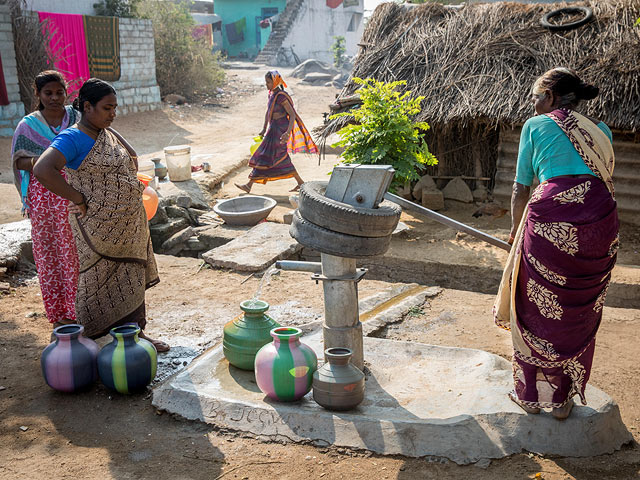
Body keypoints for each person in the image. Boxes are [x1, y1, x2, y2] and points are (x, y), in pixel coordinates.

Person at [494, 67, 617, 420]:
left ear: (549, 96)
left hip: (551, 220)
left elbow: (520, 187)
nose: (532, 104)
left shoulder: (536, 126)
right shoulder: (601, 131)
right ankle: (561, 399)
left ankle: (532, 395)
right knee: (579, 307)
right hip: (600, 223)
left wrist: (516, 232)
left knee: (535, 306)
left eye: (535, 96)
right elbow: (602, 181)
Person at [33, 78, 170, 352]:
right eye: (107, 108)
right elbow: (42, 169)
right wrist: (78, 197)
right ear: (87, 106)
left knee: (130, 278)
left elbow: (131, 155)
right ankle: (86, 343)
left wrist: (122, 184)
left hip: (128, 225)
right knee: (95, 281)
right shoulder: (72, 138)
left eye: (115, 108)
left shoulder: (105, 133)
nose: (113, 114)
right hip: (97, 228)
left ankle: (137, 335)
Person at [11, 70, 80, 330]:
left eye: (59, 92)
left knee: (76, 251)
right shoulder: (28, 125)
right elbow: (18, 161)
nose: (54, 98)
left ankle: (83, 307)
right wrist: (45, 162)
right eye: (48, 93)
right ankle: (62, 313)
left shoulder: (76, 118)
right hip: (44, 200)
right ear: (38, 95)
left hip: (74, 194)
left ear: (66, 91)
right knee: (52, 252)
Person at [235, 70, 318, 193]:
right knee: (272, 156)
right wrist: (264, 128)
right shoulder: (271, 94)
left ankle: (249, 185)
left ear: (275, 82)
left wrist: (287, 133)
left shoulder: (281, 96)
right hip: (272, 128)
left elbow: (292, 115)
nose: (267, 84)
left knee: (271, 155)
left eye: (269, 82)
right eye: (266, 82)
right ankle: (299, 182)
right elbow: (268, 112)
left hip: (281, 129)